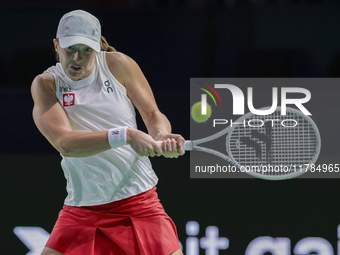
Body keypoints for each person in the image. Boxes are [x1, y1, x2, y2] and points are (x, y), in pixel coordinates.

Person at [31, 9, 185, 255]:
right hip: (82, 209)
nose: (77, 59)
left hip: (138, 201)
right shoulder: (47, 84)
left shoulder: (117, 65)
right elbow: (65, 142)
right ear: (56, 45)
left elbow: (153, 115)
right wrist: (126, 135)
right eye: (70, 49)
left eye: (86, 50)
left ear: (96, 48)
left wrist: (161, 134)